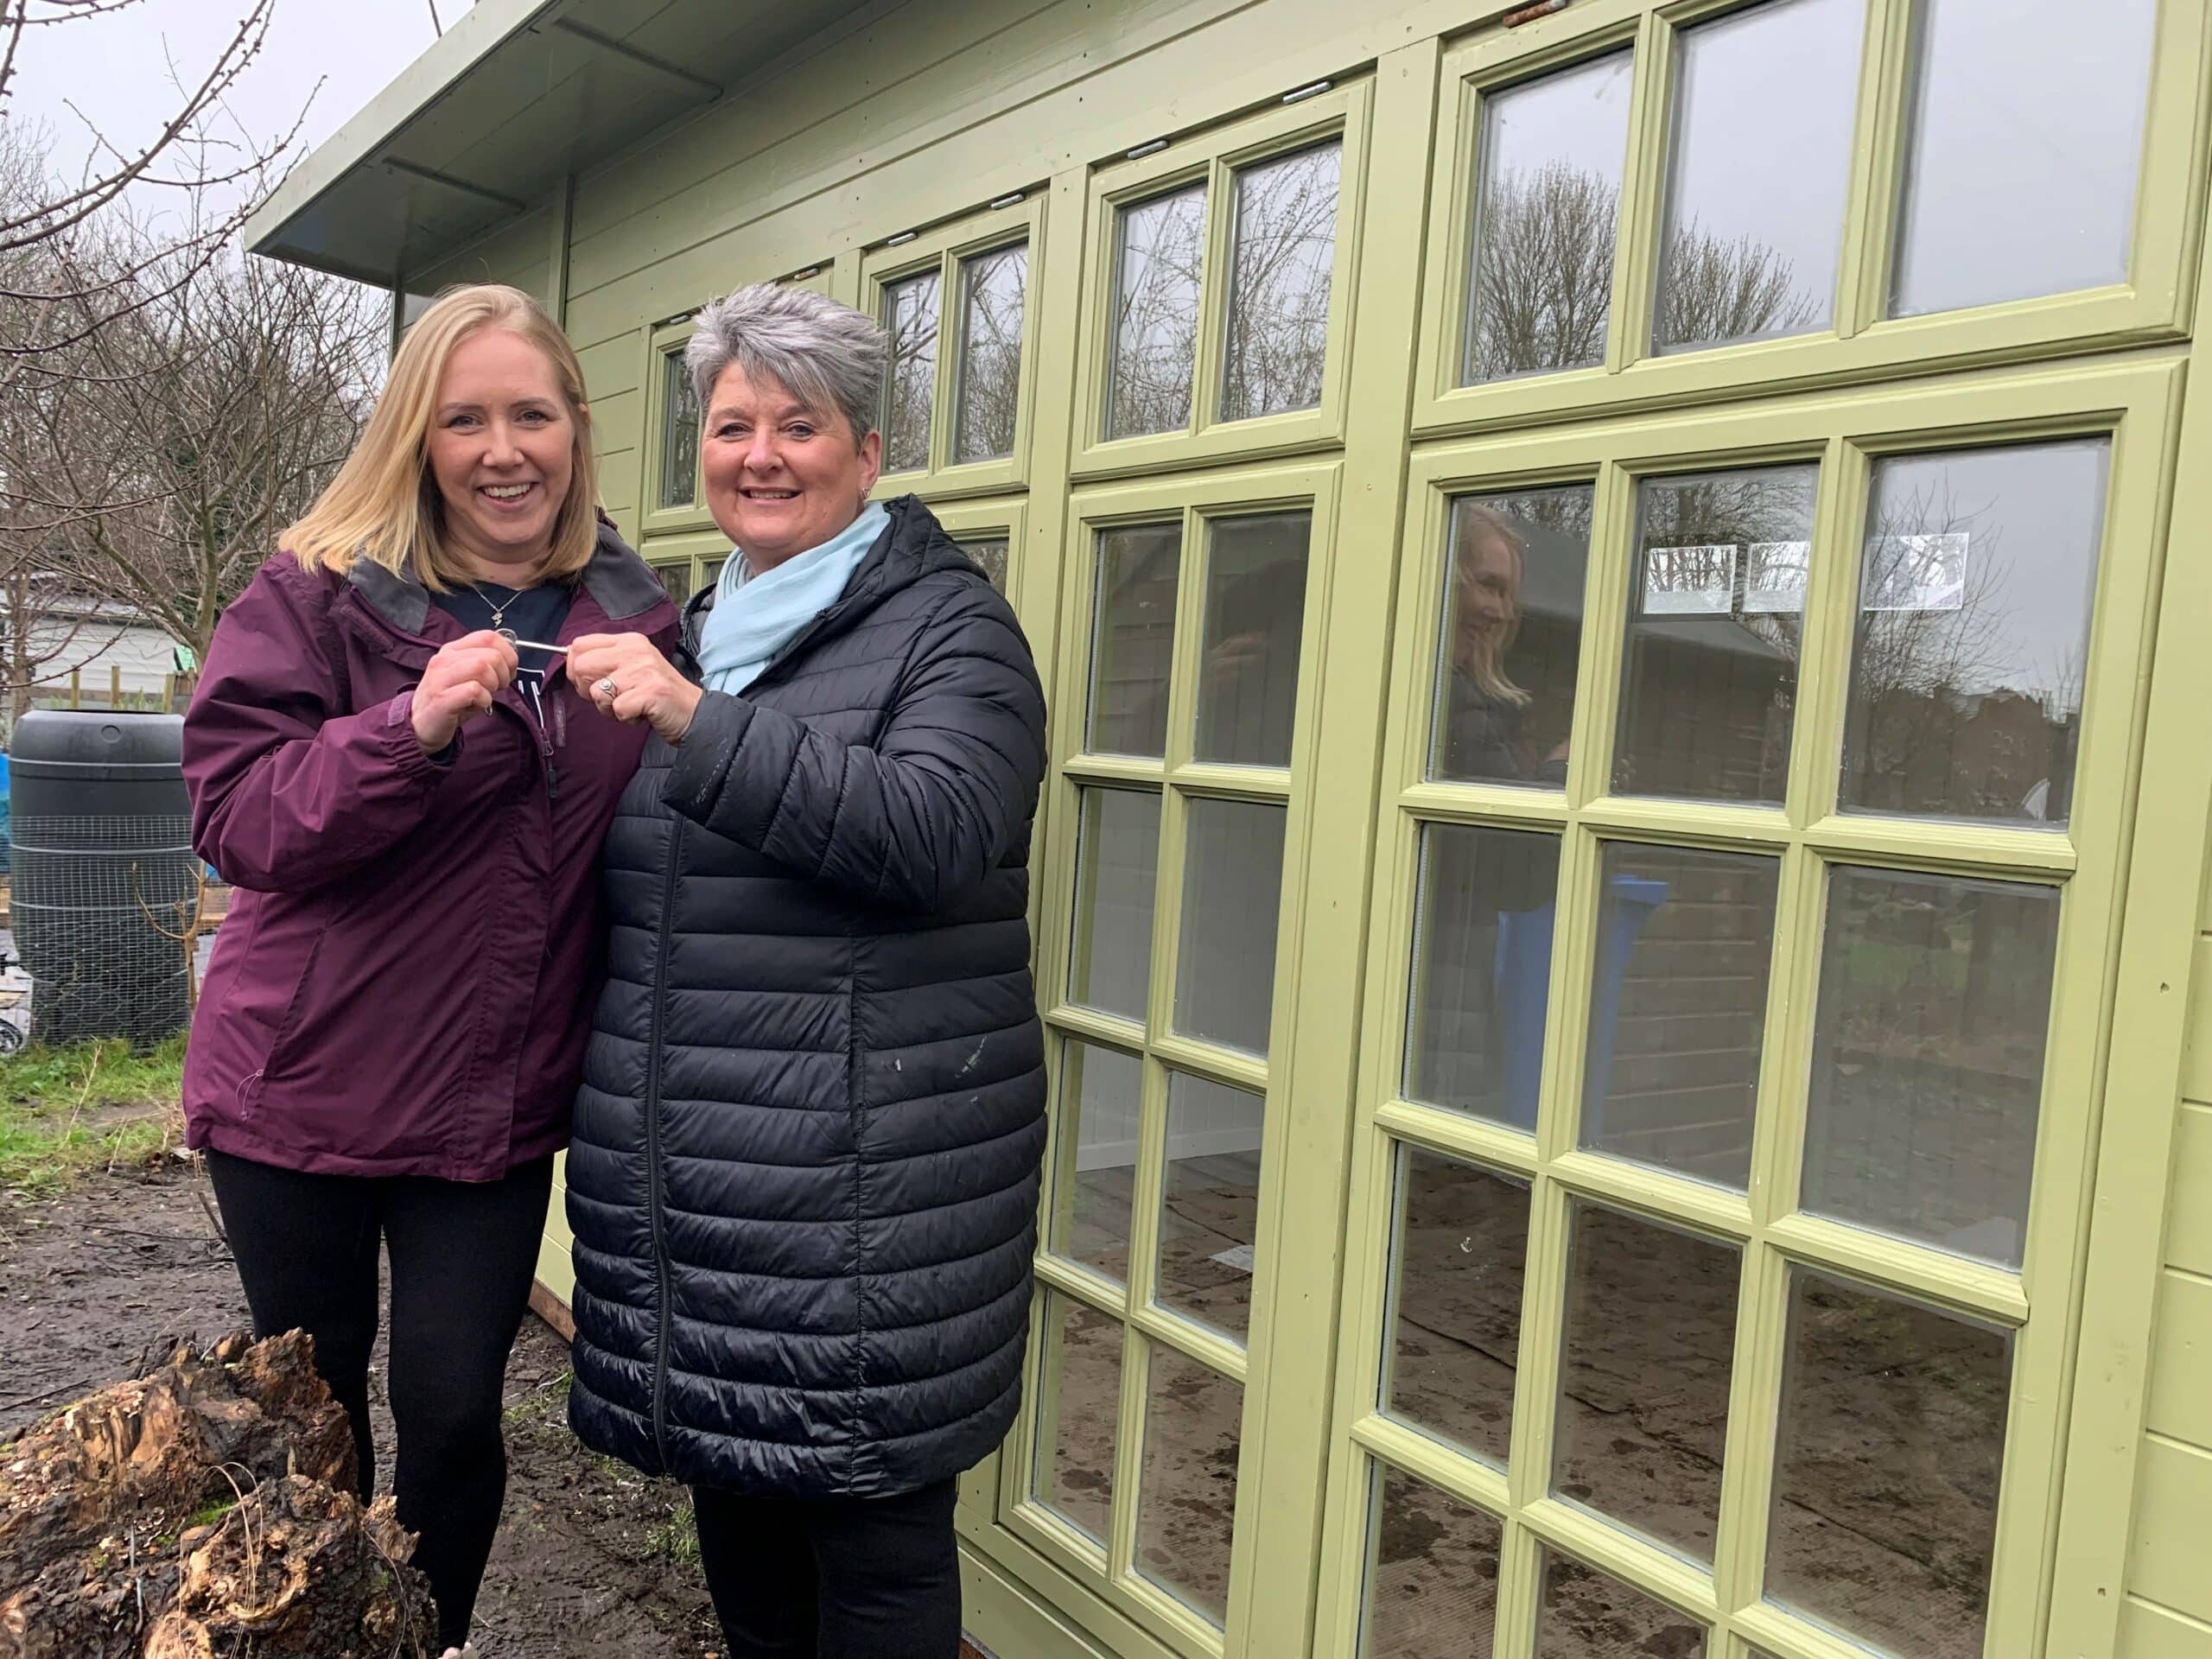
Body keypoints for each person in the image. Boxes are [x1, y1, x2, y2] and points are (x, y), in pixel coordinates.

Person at [180, 283, 677, 1659]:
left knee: (454, 1415)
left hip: (491, 1105)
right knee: (317, 1414)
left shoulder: (638, 618)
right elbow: (236, 817)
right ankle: (318, 1636)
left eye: (532, 415)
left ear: (576, 429)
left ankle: (429, 1641)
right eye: (465, 420)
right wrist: (408, 730)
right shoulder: (316, 594)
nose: (503, 450)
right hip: (302, 1090)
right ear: (417, 436)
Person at [560, 282, 1048, 1659]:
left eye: (800, 425)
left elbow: (935, 833)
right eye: (732, 427)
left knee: (874, 1551)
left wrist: (698, 725)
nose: (760, 456)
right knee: (743, 1524)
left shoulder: (952, 630)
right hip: (704, 1202)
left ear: (869, 452)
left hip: (866, 1201)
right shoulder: (701, 631)